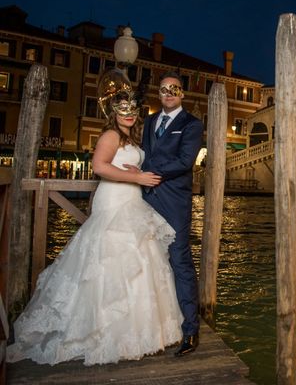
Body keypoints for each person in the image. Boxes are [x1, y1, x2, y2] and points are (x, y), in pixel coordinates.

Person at [7, 79, 183, 365]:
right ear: (112, 111)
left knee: (140, 259)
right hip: (114, 201)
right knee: (109, 260)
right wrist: (137, 177)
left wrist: (141, 175)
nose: (128, 113)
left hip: (133, 201)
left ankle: (139, 331)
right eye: (122, 108)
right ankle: (101, 330)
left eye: (133, 108)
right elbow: (99, 167)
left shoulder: (133, 139)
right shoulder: (111, 136)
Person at [138, 71, 203, 356]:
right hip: (144, 199)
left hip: (174, 202)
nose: (168, 93)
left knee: (179, 259)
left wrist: (148, 174)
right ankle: (152, 325)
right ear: (159, 93)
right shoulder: (150, 121)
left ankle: (190, 330)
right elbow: (145, 152)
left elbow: (185, 161)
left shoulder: (191, 124)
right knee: (146, 258)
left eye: (174, 89)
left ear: (182, 94)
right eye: (163, 89)